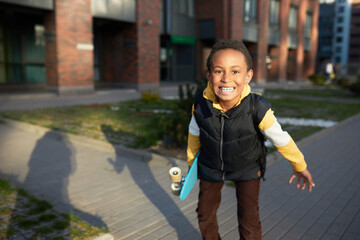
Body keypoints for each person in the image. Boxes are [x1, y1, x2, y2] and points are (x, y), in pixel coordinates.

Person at [186, 39, 315, 240]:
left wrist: (299, 165)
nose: (226, 78)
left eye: (235, 71)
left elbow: (281, 139)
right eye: (219, 71)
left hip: (247, 167)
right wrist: (191, 165)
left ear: (248, 76)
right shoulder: (200, 104)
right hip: (211, 166)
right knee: (204, 213)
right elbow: (194, 134)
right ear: (209, 75)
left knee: (249, 220)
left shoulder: (258, 107)